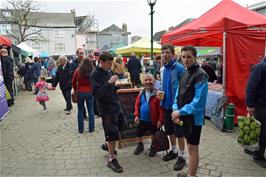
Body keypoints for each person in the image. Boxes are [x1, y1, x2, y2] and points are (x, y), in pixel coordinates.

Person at [172, 46, 208, 177]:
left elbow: (199, 102)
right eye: (183, 57)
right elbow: (178, 94)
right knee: (189, 145)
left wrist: (179, 112)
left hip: (193, 118)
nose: (186, 60)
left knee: (193, 149)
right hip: (183, 116)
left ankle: (191, 175)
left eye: (189, 57)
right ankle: (190, 173)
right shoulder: (185, 73)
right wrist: (175, 110)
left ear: (195, 57)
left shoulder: (201, 75)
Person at [90, 51, 123, 173]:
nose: (111, 66)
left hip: (115, 105)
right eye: (109, 63)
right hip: (106, 108)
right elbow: (98, 94)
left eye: (111, 63)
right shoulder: (94, 74)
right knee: (111, 132)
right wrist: (109, 83)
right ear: (101, 62)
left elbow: (109, 89)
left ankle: (107, 144)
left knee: (119, 127)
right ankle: (111, 159)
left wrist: (116, 86)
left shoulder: (108, 71)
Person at [157, 44, 186, 171]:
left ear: (173, 54)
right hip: (166, 105)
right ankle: (174, 151)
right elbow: (163, 86)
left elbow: (185, 87)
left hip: (177, 107)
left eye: (167, 52)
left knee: (179, 132)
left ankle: (182, 156)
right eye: (163, 52)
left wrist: (181, 106)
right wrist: (160, 93)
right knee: (169, 130)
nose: (164, 54)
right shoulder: (162, 69)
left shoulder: (180, 68)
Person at [133, 73, 164, 157]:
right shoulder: (141, 93)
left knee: (153, 134)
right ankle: (140, 145)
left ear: (154, 81)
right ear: (143, 82)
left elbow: (161, 108)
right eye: (146, 80)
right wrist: (136, 115)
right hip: (142, 119)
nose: (148, 82)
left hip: (153, 120)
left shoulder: (158, 93)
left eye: (150, 79)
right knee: (139, 132)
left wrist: (160, 120)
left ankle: (153, 147)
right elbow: (137, 104)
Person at [246, 57, 266, 167]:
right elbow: (251, 87)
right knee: (261, 131)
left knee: (257, 129)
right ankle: (258, 155)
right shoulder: (261, 67)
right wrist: (250, 105)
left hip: (262, 104)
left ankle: (250, 148)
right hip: (261, 106)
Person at [72, 57, 95, 134]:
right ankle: (91, 129)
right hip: (90, 92)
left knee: (80, 110)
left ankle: (81, 130)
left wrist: (75, 90)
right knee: (91, 110)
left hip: (80, 92)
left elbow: (73, 81)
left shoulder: (78, 70)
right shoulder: (93, 71)